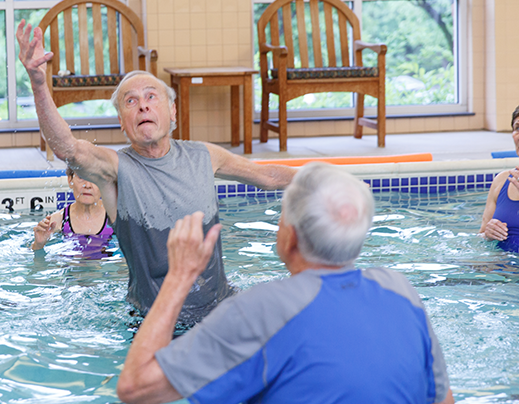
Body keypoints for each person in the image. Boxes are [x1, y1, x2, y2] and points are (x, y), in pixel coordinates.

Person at [16, 20, 296, 325]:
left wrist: (334, 178)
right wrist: (39, 84)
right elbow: (67, 148)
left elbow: (269, 177)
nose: (143, 107)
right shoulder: (115, 170)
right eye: (130, 101)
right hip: (156, 323)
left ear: (172, 112)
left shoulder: (204, 156)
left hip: (223, 312)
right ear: (122, 122)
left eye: (152, 97)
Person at [116, 162, 454, 404]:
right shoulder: (401, 291)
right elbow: (443, 398)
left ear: (289, 238)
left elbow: (135, 387)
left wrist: (178, 277)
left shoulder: (262, 309)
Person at [480, 99, 519, 253]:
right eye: (517, 128)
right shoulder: (501, 181)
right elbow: (480, 235)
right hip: (503, 272)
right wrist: (488, 234)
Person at [31, 166, 114, 258]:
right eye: (81, 177)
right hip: (71, 270)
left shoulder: (116, 218)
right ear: (70, 180)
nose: (87, 185)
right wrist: (38, 245)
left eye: (95, 178)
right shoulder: (56, 222)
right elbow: (38, 265)